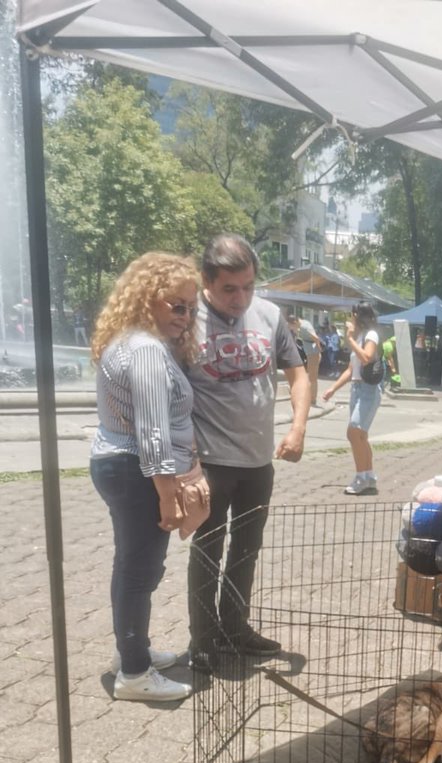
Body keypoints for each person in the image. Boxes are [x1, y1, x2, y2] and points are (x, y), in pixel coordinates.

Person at [187, 234, 311, 672]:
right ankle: (203, 640)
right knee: (208, 549)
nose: (240, 298)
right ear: (207, 280)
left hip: (258, 462)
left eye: (248, 286)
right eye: (229, 289)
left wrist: (298, 427)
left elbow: (298, 374)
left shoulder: (270, 315)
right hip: (210, 461)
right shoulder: (187, 317)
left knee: (246, 550)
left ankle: (235, 628)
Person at [89, 252, 201, 703]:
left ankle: (131, 652)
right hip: (138, 470)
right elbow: (152, 431)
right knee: (140, 571)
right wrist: (168, 494)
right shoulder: (146, 350)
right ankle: (134, 674)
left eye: (191, 308)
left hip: (120, 464)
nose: (186, 316)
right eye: (178, 305)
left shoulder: (129, 340)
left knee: (131, 567)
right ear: (148, 298)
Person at [321, 303, 382, 495]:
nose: (349, 320)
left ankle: (361, 477)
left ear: (357, 316)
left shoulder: (370, 335)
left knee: (354, 432)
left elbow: (367, 357)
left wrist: (348, 339)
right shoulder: (359, 337)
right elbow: (350, 370)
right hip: (357, 389)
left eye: (351, 316)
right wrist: (333, 388)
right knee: (360, 436)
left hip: (368, 391)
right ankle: (368, 476)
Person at [288, 313, 323, 404]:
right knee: (311, 376)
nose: (291, 328)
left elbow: (315, 338)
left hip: (312, 352)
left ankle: (311, 398)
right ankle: (311, 398)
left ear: (295, 322)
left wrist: (319, 350)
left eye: (291, 325)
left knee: (311, 376)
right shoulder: (303, 324)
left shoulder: (303, 327)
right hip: (311, 352)